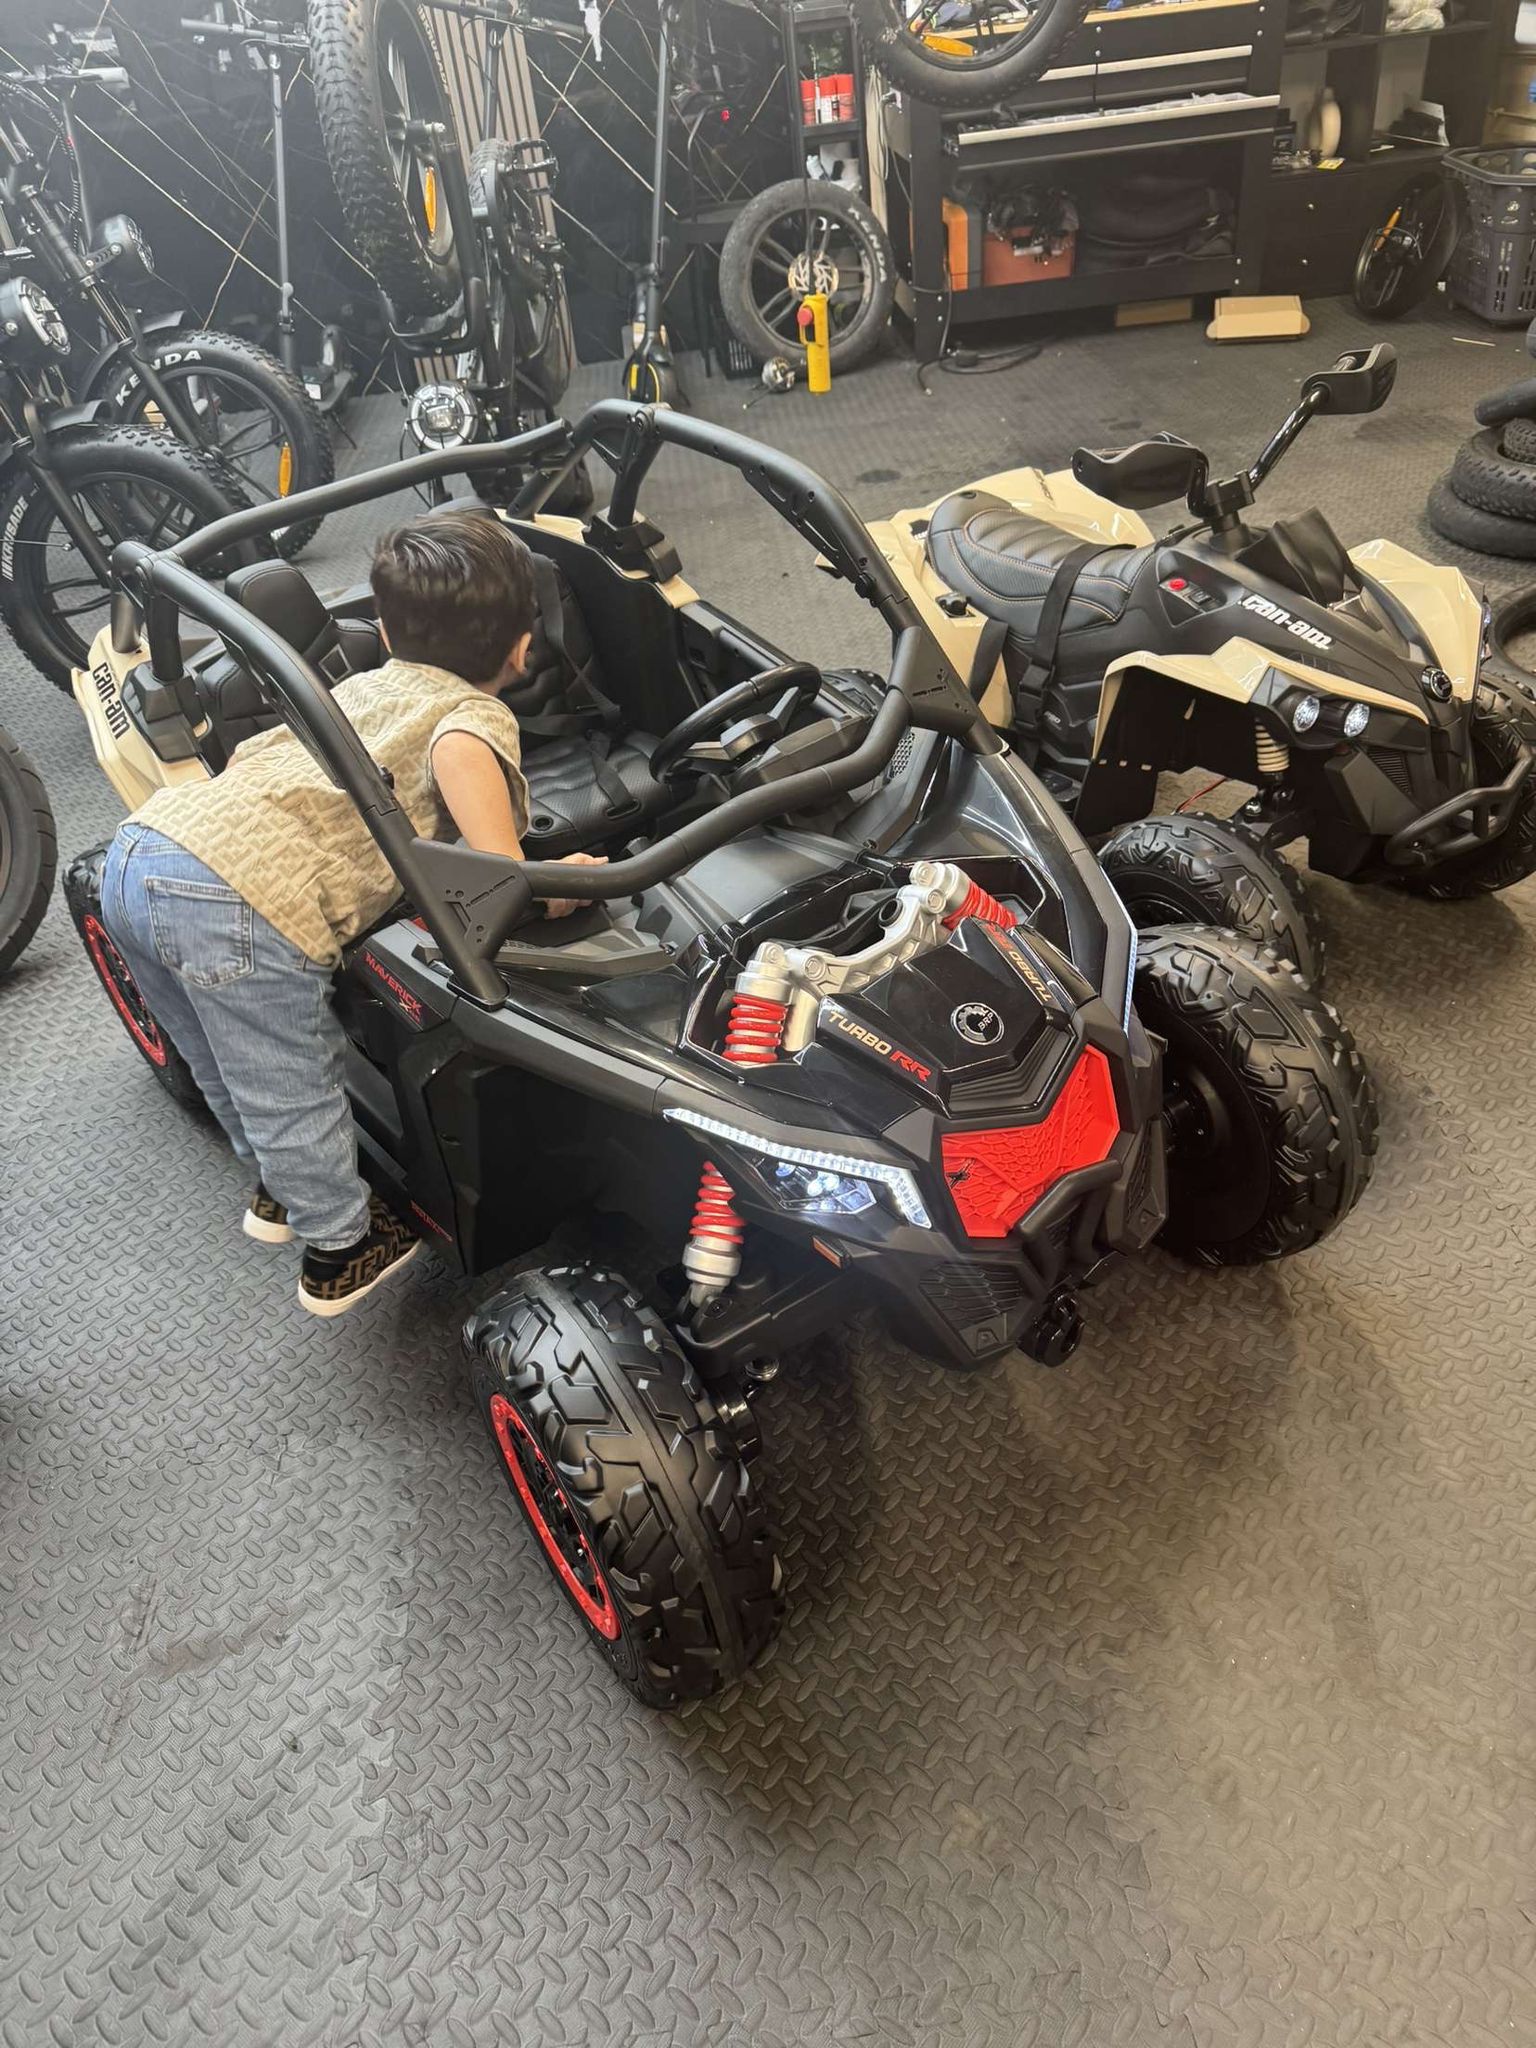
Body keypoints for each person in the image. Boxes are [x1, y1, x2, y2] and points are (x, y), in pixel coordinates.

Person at [101, 511, 601, 1317]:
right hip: (239, 902)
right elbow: (495, 875)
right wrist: (562, 882)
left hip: (145, 848)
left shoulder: (363, 684)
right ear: (522, 647)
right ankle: (339, 1245)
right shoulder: (473, 719)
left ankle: (278, 1185)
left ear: (386, 630)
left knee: (218, 1057)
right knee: (286, 1078)